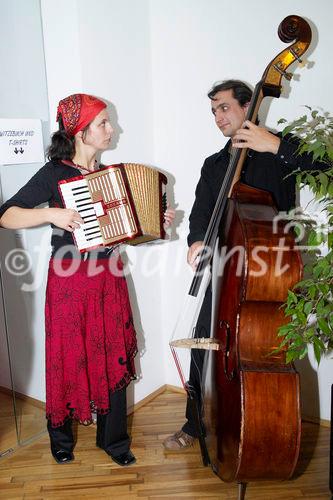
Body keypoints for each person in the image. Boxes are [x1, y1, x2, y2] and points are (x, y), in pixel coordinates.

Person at [0, 93, 174, 465]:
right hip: (69, 281)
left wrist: (156, 222)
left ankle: (114, 443)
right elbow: (6, 215)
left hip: (108, 279)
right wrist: (51, 216)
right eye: (104, 123)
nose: (112, 129)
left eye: (108, 122)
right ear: (80, 132)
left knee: (111, 355)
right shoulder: (55, 173)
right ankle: (60, 440)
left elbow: (128, 232)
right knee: (67, 356)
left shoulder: (110, 175)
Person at [163, 79, 325, 451]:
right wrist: (197, 241)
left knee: (267, 355)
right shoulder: (215, 164)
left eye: (224, 108)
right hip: (225, 275)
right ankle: (195, 424)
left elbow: (326, 167)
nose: (218, 117)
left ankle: (263, 427)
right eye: (213, 112)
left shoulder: (279, 150)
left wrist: (278, 144)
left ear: (248, 105)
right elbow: (202, 213)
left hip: (271, 276)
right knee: (203, 343)